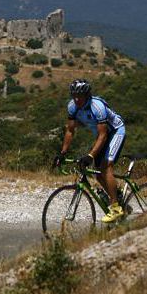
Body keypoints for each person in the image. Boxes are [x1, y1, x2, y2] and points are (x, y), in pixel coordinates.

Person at [54, 79, 126, 223]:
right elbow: (70, 130)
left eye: (79, 96)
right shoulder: (72, 107)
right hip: (102, 136)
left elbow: (104, 135)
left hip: (115, 132)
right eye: (73, 95)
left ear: (87, 95)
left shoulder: (97, 106)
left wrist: (90, 155)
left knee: (106, 167)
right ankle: (117, 195)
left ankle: (116, 208)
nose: (76, 99)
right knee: (98, 174)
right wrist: (62, 153)